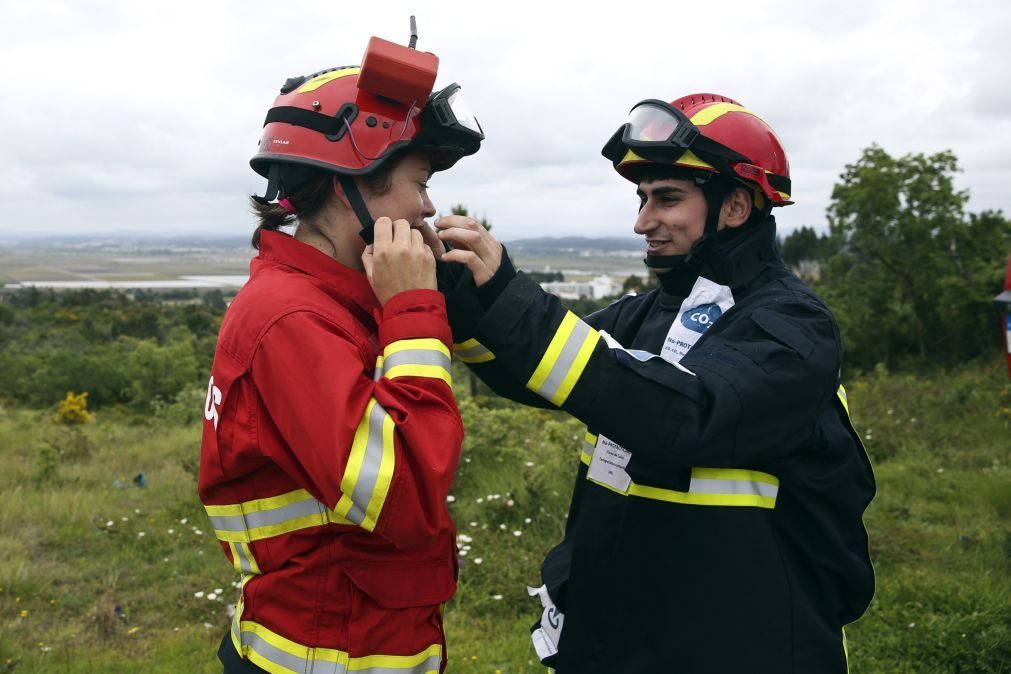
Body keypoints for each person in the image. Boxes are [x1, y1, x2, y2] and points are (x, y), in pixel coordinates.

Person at [435, 93, 875, 673]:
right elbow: (542, 372)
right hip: (623, 633)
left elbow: (683, 417)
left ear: (736, 205)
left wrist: (512, 295)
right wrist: (464, 297)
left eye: (667, 199)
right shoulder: (649, 312)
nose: (642, 221)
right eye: (643, 199)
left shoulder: (793, 326)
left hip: (740, 644)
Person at [198, 39, 484, 674]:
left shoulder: (333, 304)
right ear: (348, 185)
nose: (430, 207)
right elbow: (406, 494)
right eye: (420, 182)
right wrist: (412, 311)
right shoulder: (292, 320)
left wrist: (476, 298)